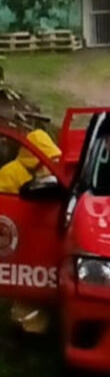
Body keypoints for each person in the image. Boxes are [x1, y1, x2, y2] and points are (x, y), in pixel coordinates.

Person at [0, 129, 61, 335]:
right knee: (23, 282)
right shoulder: (11, 173)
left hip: (37, 233)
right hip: (20, 236)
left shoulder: (45, 173)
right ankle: (24, 327)